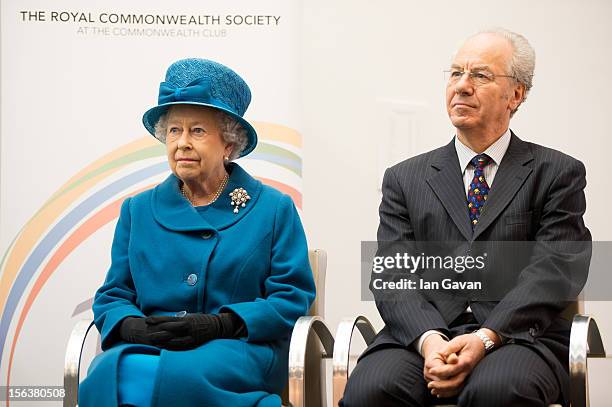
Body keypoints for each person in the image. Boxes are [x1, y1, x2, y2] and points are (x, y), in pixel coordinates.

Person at [341, 28, 591, 406]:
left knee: (497, 391)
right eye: (456, 73)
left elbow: (554, 271)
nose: (462, 85)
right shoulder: (404, 178)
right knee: (371, 390)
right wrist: (430, 342)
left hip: (517, 336)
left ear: (517, 94)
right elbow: (392, 274)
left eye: (480, 75)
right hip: (421, 336)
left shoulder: (556, 172)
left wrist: (485, 337)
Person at [78, 58, 316, 407]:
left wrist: (223, 324)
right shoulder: (138, 210)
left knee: (179, 377)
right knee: (107, 372)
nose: (183, 143)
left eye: (198, 131)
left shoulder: (273, 208)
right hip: (150, 345)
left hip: (240, 348)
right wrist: (131, 326)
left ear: (229, 144)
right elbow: (113, 293)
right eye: (175, 130)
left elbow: (292, 296)